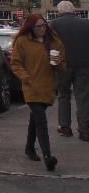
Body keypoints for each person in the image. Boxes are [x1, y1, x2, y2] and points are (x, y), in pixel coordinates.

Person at [13, 13, 66, 170]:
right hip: (31, 87)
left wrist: (58, 63)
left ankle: (29, 149)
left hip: (47, 86)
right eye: (38, 26)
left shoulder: (54, 41)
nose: (42, 29)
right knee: (41, 120)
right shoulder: (22, 41)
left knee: (35, 119)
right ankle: (48, 156)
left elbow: (63, 65)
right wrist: (26, 77)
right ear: (31, 27)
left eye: (44, 25)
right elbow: (16, 64)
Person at [51, 0, 89, 141]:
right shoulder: (86, 23)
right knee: (83, 97)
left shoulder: (53, 24)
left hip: (62, 65)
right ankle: (85, 130)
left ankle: (65, 127)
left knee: (63, 95)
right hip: (84, 65)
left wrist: (53, 64)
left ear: (59, 11)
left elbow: (51, 46)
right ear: (74, 10)